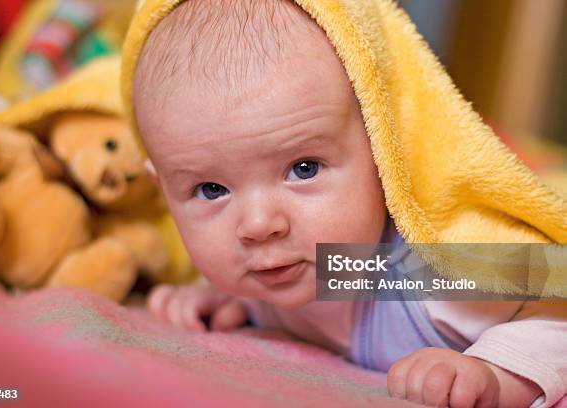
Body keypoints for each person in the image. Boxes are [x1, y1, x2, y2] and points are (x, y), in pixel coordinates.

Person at [120, 0, 567, 406]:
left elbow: (556, 307)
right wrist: (229, 302)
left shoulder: (426, 269)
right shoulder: (281, 265)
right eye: (212, 190)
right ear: (162, 189)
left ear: (383, 146)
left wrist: (493, 373)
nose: (258, 224)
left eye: (304, 168)